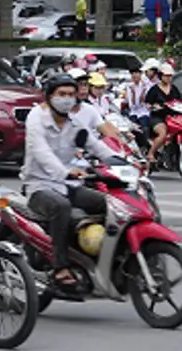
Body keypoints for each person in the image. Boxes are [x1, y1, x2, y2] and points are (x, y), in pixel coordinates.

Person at [22, 74, 114, 290]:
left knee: (109, 204)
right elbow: (41, 151)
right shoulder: (36, 118)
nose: (67, 99)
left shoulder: (74, 122)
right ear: (49, 96)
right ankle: (60, 267)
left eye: (71, 95)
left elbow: (96, 146)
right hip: (39, 186)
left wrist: (122, 163)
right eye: (61, 94)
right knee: (61, 207)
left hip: (69, 185)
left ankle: (98, 256)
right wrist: (64, 172)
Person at [144, 63, 182, 167]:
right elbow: (147, 104)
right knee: (162, 133)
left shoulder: (174, 89)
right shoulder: (154, 90)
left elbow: (180, 101)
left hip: (173, 117)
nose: (168, 78)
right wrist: (154, 107)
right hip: (158, 118)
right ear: (160, 76)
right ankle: (150, 154)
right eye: (166, 76)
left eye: (170, 76)